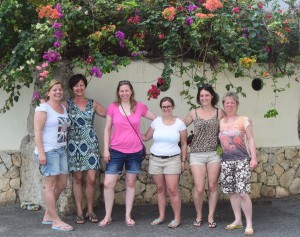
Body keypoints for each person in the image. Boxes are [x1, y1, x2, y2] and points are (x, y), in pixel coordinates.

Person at [99, 80, 156, 227]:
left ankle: (127, 215)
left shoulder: (139, 107)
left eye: (126, 90)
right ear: (118, 92)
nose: (124, 93)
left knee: (131, 183)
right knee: (108, 184)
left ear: (131, 91)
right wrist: (106, 149)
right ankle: (107, 216)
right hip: (116, 151)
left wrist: (147, 136)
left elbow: (156, 120)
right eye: (121, 91)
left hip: (134, 152)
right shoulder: (113, 107)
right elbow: (107, 129)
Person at [66, 74, 106, 224]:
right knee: (77, 178)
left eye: (82, 85)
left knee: (91, 179)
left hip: (90, 144)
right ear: (72, 88)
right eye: (76, 85)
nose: (79, 88)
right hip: (74, 144)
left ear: (85, 86)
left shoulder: (92, 103)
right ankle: (79, 212)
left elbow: (110, 114)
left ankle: (90, 210)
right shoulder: (67, 104)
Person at [184, 84, 225, 228]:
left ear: (212, 96)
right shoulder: (193, 112)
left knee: (212, 185)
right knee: (199, 188)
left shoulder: (220, 112)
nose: (204, 98)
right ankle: (199, 215)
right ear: (198, 97)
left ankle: (210, 216)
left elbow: (228, 128)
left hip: (214, 153)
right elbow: (181, 126)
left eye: (207, 95)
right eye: (201, 95)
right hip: (196, 154)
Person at [34, 79, 73, 232]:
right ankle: (55, 220)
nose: (57, 92)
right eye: (54, 89)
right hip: (49, 151)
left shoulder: (63, 107)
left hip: (62, 150)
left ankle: (47, 214)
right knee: (50, 186)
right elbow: (37, 131)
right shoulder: (43, 108)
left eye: (59, 89)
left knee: (62, 184)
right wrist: (41, 153)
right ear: (48, 92)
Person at [143, 97, 187, 228]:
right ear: (161, 108)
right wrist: (128, 131)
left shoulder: (179, 123)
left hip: (173, 159)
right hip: (156, 159)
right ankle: (161, 216)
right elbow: (145, 137)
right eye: (164, 107)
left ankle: (177, 218)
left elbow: (184, 144)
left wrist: (183, 160)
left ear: (173, 107)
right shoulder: (156, 122)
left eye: (168, 106)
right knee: (160, 189)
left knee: (172, 190)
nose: (166, 109)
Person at [219, 92, 257, 236]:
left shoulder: (244, 120)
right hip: (226, 161)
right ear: (224, 105)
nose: (229, 105)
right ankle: (237, 220)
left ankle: (249, 224)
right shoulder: (221, 121)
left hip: (242, 159)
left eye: (232, 102)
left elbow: (251, 139)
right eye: (227, 103)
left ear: (237, 104)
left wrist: (253, 158)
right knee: (232, 193)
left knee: (242, 193)